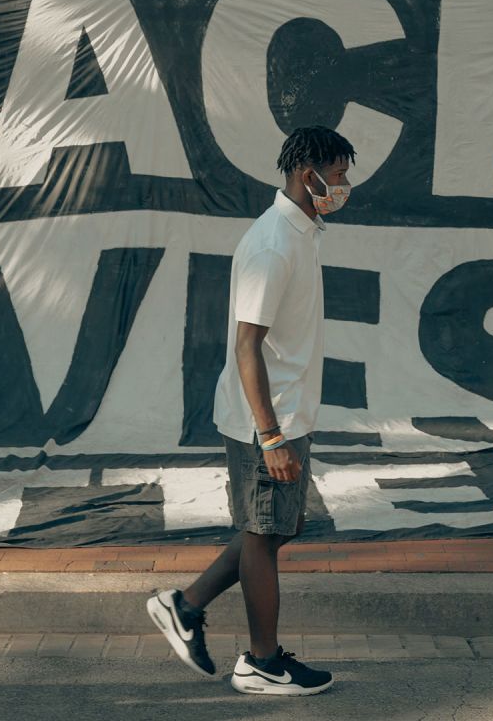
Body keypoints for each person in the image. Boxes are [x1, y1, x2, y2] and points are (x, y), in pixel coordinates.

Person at [146, 124, 353, 697]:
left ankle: (184, 606)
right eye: (338, 175)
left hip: (288, 412)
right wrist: (271, 436)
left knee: (283, 524)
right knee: (263, 533)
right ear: (307, 174)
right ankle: (262, 662)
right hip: (268, 420)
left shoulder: (302, 232)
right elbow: (246, 346)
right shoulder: (272, 244)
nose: (344, 186)